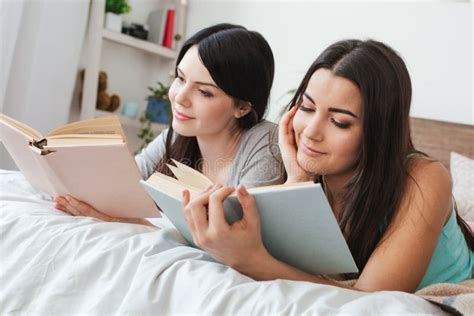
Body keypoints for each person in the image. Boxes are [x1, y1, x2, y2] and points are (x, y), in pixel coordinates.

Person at [182, 39, 474, 292]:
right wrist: (297, 179)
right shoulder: (303, 170)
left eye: (340, 122)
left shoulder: (425, 177)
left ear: (378, 132)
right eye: (307, 108)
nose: (311, 131)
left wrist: (251, 260)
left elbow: (373, 299)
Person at [54, 23, 285, 222]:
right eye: (180, 78)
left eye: (204, 92)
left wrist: (130, 221)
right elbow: (123, 183)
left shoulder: (265, 144)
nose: (180, 97)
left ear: (242, 107)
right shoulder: (176, 137)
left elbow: (237, 242)